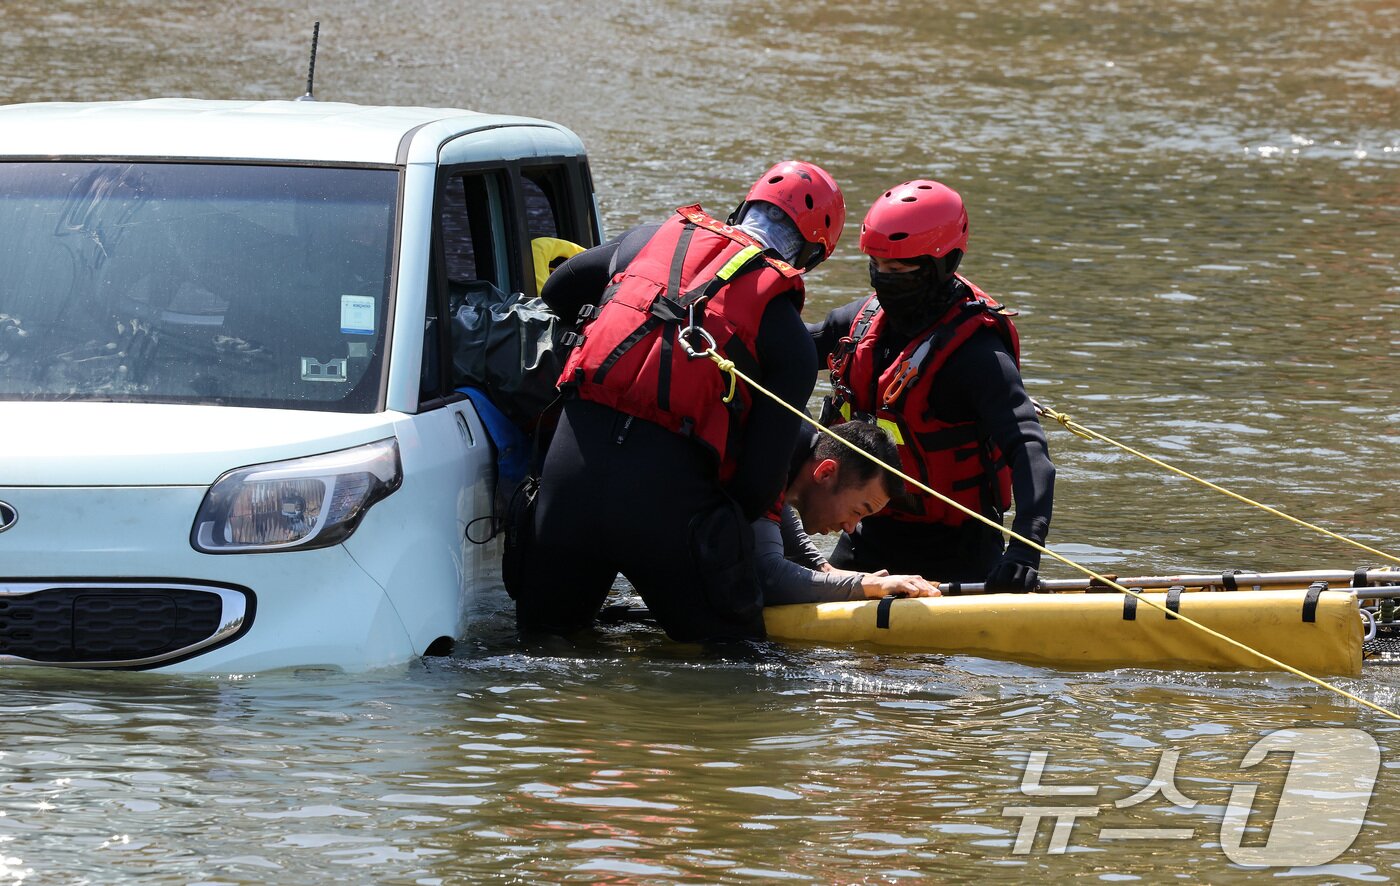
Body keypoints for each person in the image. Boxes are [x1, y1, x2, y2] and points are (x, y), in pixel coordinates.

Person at [515, 160, 846, 642]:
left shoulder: (647, 240)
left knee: (546, 648)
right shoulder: (789, 338)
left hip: (569, 484)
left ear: (743, 208)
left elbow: (557, 289)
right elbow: (754, 491)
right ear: (811, 256)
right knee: (734, 662)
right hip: (668, 508)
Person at [811, 180, 1056, 591]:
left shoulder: (976, 356)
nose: (885, 281)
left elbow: (1029, 449)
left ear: (944, 265)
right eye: (878, 268)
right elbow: (778, 353)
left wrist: (1025, 547)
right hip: (868, 534)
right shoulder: (856, 327)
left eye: (901, 272)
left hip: (959, 548)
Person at [756, 421, 939, 605]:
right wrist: (871, 585)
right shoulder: (766, 460)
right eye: (857, 511)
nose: (850, 529)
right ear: (826, 473)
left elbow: (807, 558)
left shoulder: (790, 451)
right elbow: (769, 577)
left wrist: (866, 579)